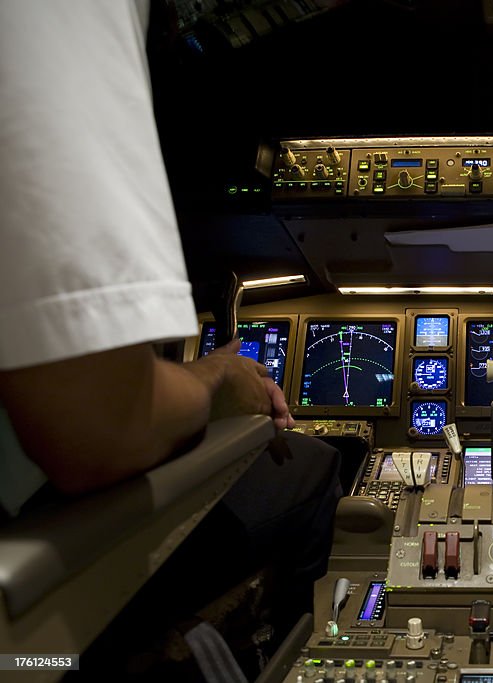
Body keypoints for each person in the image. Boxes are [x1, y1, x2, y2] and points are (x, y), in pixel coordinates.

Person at [0, 0, 342, 670]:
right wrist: (219, 375)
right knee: (315, 462)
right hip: (33, 536)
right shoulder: (63, 15)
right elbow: (99, 423)